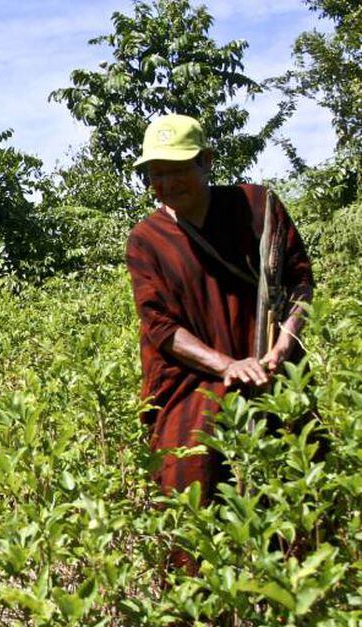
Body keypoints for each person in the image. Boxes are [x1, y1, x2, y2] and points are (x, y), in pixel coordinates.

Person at [126, 114, 314, 499]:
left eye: (177, 170)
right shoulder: (147, 239)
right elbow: (160, 326)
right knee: (190, 475)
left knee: (298, 468)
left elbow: (298, 282)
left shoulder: (257, 207)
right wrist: (228, 366)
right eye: (156, 175)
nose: (167, 184)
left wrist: (282, 348)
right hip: (194, 377)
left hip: (269, 360)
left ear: (206, 161)